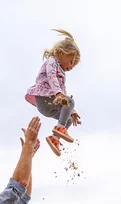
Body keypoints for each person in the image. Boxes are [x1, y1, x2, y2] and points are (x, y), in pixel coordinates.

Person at [25, 29, 81, 157]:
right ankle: (59, 128)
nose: (71, 67)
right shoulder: (52, 61)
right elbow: (51, 77)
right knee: (69, 101)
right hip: (44, 99)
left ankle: (54, 138)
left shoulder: (62, 73)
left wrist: (72, 111)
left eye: (74, 66)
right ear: (61, 53)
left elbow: (63, 91)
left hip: (51, 104)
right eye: (71, 62)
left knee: (68, 120)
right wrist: (59, 94)